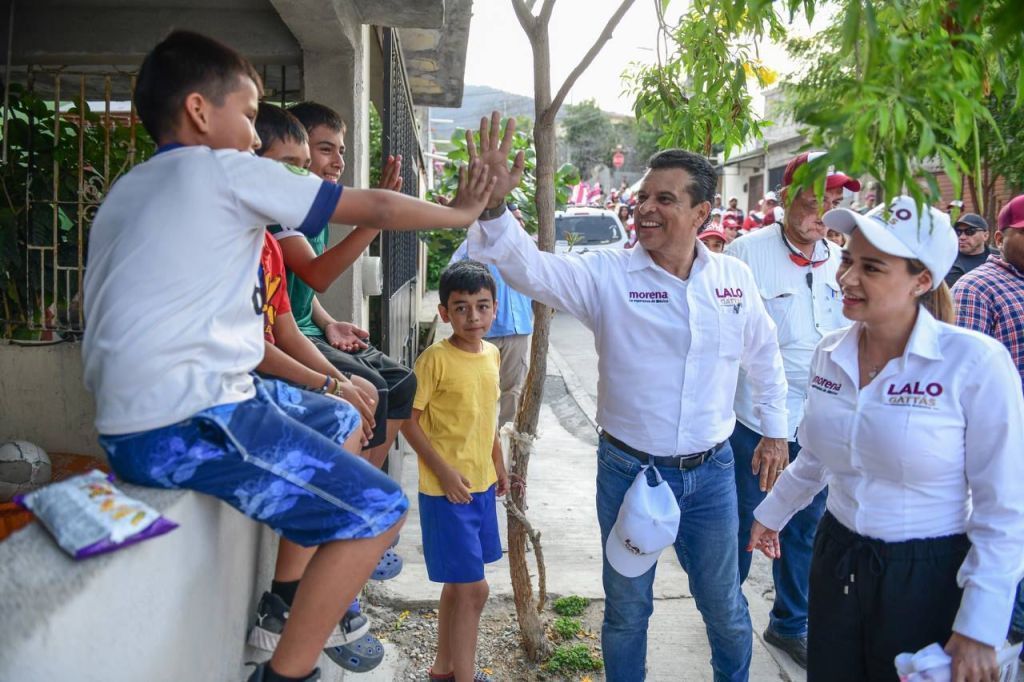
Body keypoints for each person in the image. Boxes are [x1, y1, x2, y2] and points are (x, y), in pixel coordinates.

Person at [81, 30, 495, 682]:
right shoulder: (220, 169)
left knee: (340, 419)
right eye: (247, 116)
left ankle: (299, 590)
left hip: (151, 413)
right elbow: (378, 205)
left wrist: (332, 385)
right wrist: (459, 211)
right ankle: (288, 668)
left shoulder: (133, 189)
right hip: (187, 420)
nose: (252, 135)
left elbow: (264, 335)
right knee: (378, 511)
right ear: (197, 111)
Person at [465, 111, 789, 682]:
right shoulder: (608, 275)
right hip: (628, 471)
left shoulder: (733, 281)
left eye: (664, 199)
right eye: (643, 196)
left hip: (711, 476)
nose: (645, 208)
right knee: (627, 613)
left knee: (727, 610)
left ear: (701, 214)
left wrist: (775, 430)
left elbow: (764, 357)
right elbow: (533, 271)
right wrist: (494, 207)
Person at [749, 196, 1024, 682]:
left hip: (928, 574)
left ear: (922, 280)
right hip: (836, 559)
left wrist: (981, 625)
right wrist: (770, 517)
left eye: (872, 267)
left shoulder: (974, 363)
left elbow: (1003, 505)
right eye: (849, 259)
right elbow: (815, 458)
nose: (847, 278)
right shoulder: (830, 352)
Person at [245, 102, 389, 674]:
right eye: (291, 164)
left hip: (267, 371)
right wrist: (329, 382)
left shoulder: (264, 241)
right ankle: (299, 597)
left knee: (367, 395)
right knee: (342, 420)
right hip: (230, 390)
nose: (306, 177)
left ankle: (301, 598)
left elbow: (282, 324)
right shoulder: (237, 240)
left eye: (311, 163)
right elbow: (253, 346)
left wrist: (338, 378)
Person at [725, 151, 857, 668]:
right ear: (783, 199)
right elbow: (733, 345)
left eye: (833, 199)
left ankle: (789, 623)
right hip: (755, 424)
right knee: (743, 522)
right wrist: (770, 429)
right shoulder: (743, 255)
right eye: (813, 198)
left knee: (806, 524)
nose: (824, 209)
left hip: (819, 419)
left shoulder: (838, 258)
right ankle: (725, 615)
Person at [402, 260, 509, 682]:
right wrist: (444, 473)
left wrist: (499, 465)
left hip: (480, 487)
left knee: (458, 586)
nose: (473, 317)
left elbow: (489, 417)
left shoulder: (493, 355)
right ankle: (465, 676)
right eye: (461, 308)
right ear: (444, 312)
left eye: (482, 306)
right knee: (473, 589)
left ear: (495, 308)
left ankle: (443, 670)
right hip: (446, 492)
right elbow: (408, 421)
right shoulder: (434, 360)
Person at [952, 194, 1024, 650]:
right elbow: (963, 384)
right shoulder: (977, 289)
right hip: (1002, 450)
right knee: (1004, 546)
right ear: (1001, 238)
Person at [449, 237, 534, 428]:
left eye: (519, 218)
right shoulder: (473, 245)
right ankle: (482, 435)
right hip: (484, 331)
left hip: (518, 327)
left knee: (514, 389)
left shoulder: (523, 246)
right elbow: (453, 276)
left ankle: (507, 438)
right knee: (480, 388)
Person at [945, 213, 996, 287]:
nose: (962, 237)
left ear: (985, 235)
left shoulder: (999, 258)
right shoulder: (947, 262)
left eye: (970, 231)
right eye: (958, 232)